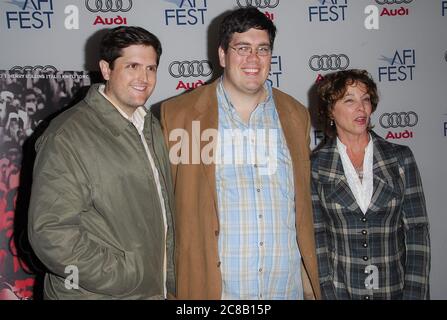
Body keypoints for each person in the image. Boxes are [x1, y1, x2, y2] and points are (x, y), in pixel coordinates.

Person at [161, 7, 320, 300]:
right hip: (216, 292)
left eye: (262, 49)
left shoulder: (296, 115)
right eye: (242, 48)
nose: (253, 59)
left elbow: (301, 211)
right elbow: (165, 213)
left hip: (285, 290)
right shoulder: (179, 115)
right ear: (222, 55)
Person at [28, 26, 175, 299]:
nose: (144, 78)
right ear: (106, 70)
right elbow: (51, 233)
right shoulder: (68, 135)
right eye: (132, 66)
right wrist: (125, 274)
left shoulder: (151, 126)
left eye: (151, 68)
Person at [311, 69, 430, 300]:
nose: (361, 108)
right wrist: (327, 293)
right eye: (349, 100)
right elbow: (318, 239)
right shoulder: (317, 165)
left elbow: (417, 232)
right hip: (341, 290)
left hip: (393, 290)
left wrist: (414, 294)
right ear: (330, 111)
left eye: (365, 99)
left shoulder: (399, 158)